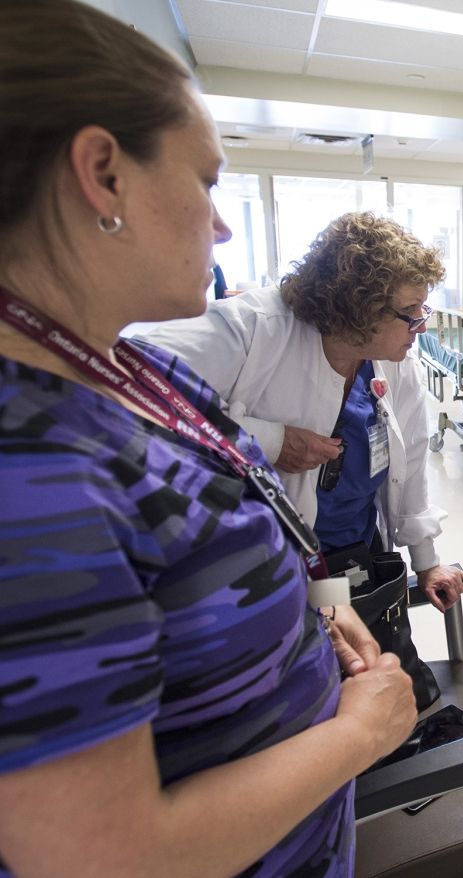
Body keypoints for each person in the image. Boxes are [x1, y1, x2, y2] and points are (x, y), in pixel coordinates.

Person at [0, 3, 417, 876]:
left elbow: (243, 511)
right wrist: (360, 735)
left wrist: (319, 604)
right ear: (104, 176)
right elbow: (104, 859)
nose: (223, 228)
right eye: (206, 180)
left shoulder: (135, 373)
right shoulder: (29, 476)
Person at [144, 212, 463, 613]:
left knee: (356, 639)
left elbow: (413, 459)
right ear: (360, 309)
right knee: (313, 643)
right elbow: (132, 387)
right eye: (410, 310)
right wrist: (269, 442)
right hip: (262, 564)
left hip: (352, 552)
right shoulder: (254, 328)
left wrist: (427, 562)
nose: (421, 326)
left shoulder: (396, 360)